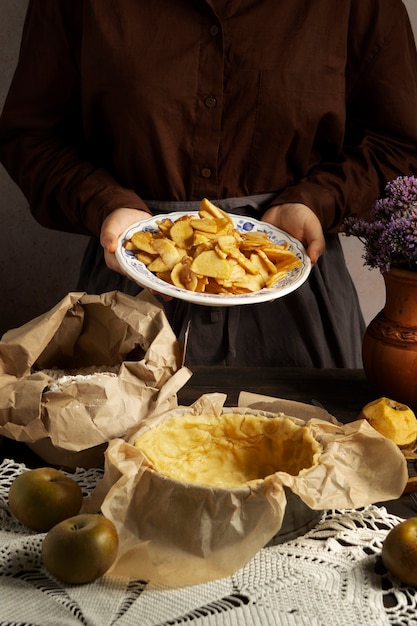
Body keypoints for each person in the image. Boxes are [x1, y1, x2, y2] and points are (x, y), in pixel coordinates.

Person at [1, 0, 416, 367]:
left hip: (294, 297)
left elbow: (398, 141)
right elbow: (33, 136)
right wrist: (104, 202)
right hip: (130, 288)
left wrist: (319, 201)